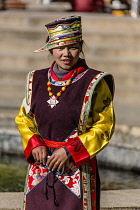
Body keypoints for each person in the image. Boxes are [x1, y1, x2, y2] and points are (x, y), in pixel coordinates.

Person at [15, 15, 115, 210]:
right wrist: (34, 143)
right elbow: (24, 117)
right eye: (60, 48)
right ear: (51, 49)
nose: (66, 54)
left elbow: (104, 126)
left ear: (80, 48)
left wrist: (69, 151)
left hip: (76, 167)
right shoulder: (35, 79)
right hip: (40, 166)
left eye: (73, 47)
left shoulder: (95, 82)